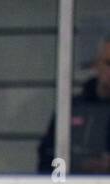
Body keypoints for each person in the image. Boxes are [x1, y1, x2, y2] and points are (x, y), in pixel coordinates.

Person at [38, 36, 110, 174]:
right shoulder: (72, 109)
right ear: (97, 65)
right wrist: (77, 164)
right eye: (109, 63)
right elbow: (48, 157)